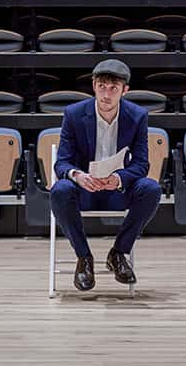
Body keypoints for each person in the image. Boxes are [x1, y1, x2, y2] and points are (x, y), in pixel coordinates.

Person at [50, 58, 162, 291]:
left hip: (117, 190)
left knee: (151, 188)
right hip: (84, 189)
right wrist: (77, 175)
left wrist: (119, 178)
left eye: (113, 88)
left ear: (125, 90)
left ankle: (119, 253)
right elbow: (62, 163)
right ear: (93, 86)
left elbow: (142, 164)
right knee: (60, 189)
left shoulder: (138, 116)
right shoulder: (73, 114)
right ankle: (84, 258)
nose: (106, 94)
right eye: (102, 86)